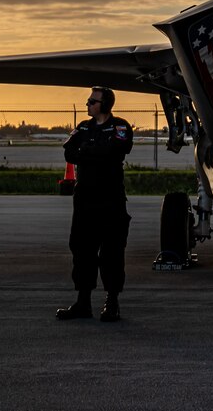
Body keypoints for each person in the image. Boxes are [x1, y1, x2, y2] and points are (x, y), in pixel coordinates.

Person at [56, 86, 133, 322]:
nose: (87, 104)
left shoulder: (120, 126)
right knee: (81, 250)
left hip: (110, 200)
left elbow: (118, 149)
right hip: (85, 201)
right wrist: (95, 151)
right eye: (88, 100)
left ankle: (112, 303)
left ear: (105, 105)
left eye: (92, 101)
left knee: (112, 251)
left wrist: (87, 151)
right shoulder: (83, 127)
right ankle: (83, 302)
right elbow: (69, 153)